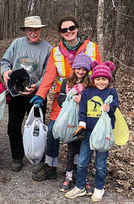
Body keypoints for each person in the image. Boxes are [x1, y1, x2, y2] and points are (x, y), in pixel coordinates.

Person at [30, 16, 101, 190]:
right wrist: (40, 94)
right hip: (62, 96)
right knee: (53, 131)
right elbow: (49, 75)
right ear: (60, 33)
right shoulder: (56, 52)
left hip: (85, 98)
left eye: (72, 28)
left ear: (77, 28)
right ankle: (51, 165)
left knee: (79, 134)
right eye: (64, 30)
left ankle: (77, 168)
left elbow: (99, 72)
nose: (69, 32)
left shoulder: (91, 48)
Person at [0, 15, 52, 171]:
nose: (33, 33)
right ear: (26, 31)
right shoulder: (17, 44)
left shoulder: (48, 49)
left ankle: (38, 156)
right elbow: (5, 62)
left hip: (36, 94)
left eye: (36, 30)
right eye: (30, 30)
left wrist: (37, 86)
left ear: (40, 30)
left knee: (38, 127)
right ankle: (17, 157)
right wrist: (5, 72)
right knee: (13, 127)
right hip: (16, 92)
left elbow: (49, 73)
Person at [65, 60, 118, 202]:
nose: (101, 82)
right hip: (88, 132)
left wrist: (110, 108)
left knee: (100, 163)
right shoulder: (87, 92)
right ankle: (80, 186)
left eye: (104, 79)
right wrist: (82, 124)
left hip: (103, 134)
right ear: (94, 79)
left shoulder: (111, 92)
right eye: (98, 79)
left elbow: (114, 105)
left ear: (109, 80)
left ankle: (99, 188)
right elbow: (82, 109)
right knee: (82, 161)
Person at [55, 54, 92, 192]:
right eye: (78, 68)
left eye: (84, 69)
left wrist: (81, 101)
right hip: (70, 121)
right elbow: (60, 99)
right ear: (74, 68)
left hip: (85, 121)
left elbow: (93, 102)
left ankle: (83, 176)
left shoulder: (90, 84)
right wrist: (70, 99)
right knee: (71, 148)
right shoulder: (67, 82)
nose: (81, 72)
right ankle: (69, 176)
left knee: (84, 150)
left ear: (87, 70)